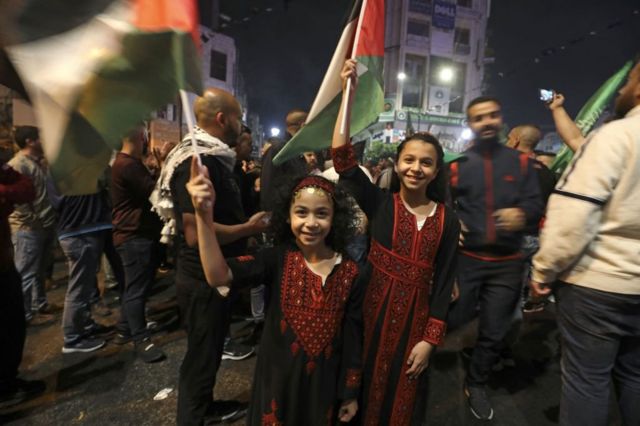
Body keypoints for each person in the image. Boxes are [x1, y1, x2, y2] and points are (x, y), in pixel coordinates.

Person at [187, 157, 363, 425]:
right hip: (275, 389)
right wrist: (203, 216)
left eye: (322, 213)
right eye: (301, 212)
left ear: (335, 217)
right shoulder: (276, 260)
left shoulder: (351, 271)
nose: (311, 223)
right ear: (287, 216)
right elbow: (217, 275)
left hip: (323, 392)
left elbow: (353, 336)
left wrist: (350, 393)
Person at [333, 59, 460, 425]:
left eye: (425, 162)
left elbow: (445, 279)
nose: (415, 168)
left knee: (403, 397)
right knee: (358, 393)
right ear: (397, 162)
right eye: (408, 160)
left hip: (415, 325)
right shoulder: (379, 203)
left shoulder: (448, 220)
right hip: (368, 315)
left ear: (436, 171)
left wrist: (430, 340)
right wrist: (349, 93)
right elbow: (343, 158)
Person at [531, 61, 640, 426]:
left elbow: (573, 216)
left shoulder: (617, 135)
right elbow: (578, 142)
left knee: (586, 383)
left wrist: (544, 270)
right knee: (634, 377)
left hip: (597, 286)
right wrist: (559, 110)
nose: (622, 89)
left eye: (627, 81)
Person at [151, 87, 269, 425]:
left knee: (209, 350)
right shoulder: (196, 161)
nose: (241, 125)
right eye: (238, 119)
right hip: (203, 278)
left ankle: (203, 406)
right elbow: (193, 232)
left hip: (214, 274)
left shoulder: (215, 156)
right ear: (223, 119)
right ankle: (193, 416)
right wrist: (248, 229)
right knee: (201, 355)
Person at [446, 96, 543, 420]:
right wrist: (452, 222)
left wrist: (523, 213)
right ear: (470, 123)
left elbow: (536, 205)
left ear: (500, 119)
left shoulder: (524, 164)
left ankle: (477, 382)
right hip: (467, 261)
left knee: (494, 329)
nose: (486, 121)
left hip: (507, 263)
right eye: (479, 117)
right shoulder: (457, 164)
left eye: (492, 115)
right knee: (455, 319)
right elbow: (442, 205)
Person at [110, 125, 165, 363]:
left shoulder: (125, 163)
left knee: (134, 286)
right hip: (134, 236)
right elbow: (156, 192)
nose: (146, 140)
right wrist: (163, 166)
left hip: (133, 234)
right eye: (144, 135)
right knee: (136, 289)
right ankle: (141, 339)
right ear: (139, 137)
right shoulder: (128, 165)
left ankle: (124, 329)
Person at [0, 160, 45, 405]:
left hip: (4, 260)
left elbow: (28, 189)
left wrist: (5, 193)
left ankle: (8, 379)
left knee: (13, 323)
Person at [8, 126, 58, 325]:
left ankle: (40, 304)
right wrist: (33, 221)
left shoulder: (37, 163)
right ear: (30, 141)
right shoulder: (19, 165)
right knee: (26, 272)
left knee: (38, 269)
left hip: (42, 225)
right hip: (27, 228)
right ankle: (24, 315)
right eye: (40, 138)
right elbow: (18, 200)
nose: (44, 141)